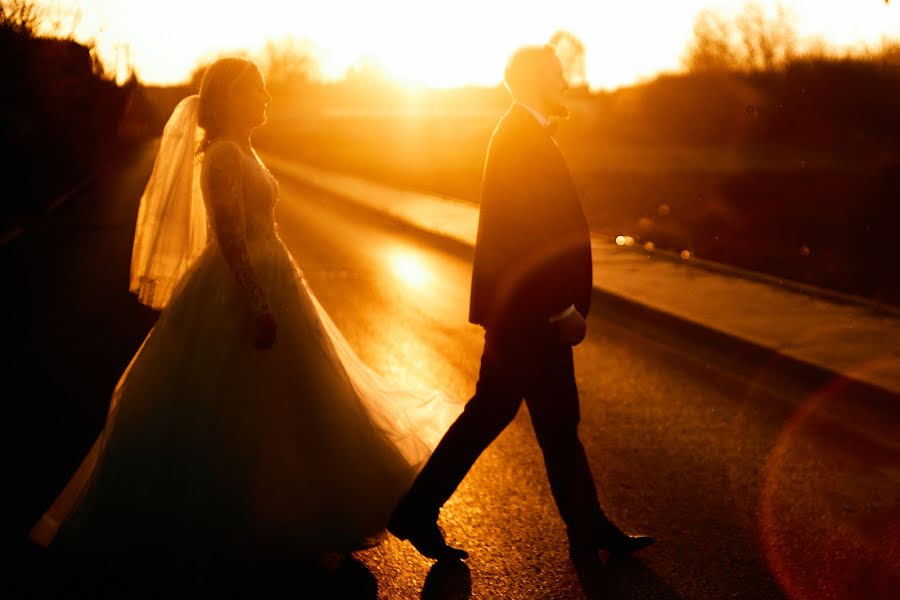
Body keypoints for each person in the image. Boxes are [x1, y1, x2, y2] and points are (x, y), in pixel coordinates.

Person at [28, 57, 461, 581]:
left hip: (275, 281)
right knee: (234, 414)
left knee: (296, 405)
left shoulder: (244, 150)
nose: (267, 99)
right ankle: (242, 528)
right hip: (240, 292)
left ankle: (299, 517)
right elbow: (230, 238)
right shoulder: (222, 157)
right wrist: (258, 303)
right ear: (232, 96)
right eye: (257, 90)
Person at [388, 45, 654, 560]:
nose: (566, 84)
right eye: (558, 75)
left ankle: (420, 510)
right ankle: (586, 528)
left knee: (512, 417)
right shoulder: (520, 138)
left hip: (522, 314)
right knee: (547, 421)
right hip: (532, 316)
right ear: (534, 81)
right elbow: (528, 234)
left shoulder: (521, 133)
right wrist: (561, 307)